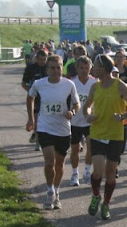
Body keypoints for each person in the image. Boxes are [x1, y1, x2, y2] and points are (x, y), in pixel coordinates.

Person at [83, 54, 127, 220]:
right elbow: (86, 107)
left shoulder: (121, 86)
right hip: (97, 133)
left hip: (115, 135)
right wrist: (88, 115)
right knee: (98, 171)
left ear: (103, 68)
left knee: (110, 172)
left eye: (95, 66)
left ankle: (106, 204)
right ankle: (96, 196)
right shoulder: (95, 87)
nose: (93, 69)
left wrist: (122, 117)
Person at [25, 55, 80, 210]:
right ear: (47, 69)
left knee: (59, 163)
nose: (56, 71)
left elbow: (77, 104)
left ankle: (56, 191)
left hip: (63, 129)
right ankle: (49, 192)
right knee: (50, 162)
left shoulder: (69, 84)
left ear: (62, 67)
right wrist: (31, 119)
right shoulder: (39, 84)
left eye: (58, 67)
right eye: (52, 68)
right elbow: (30, 98)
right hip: (45, 128)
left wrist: (72, 112)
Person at [69, 56, 95, 186]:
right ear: (77, 68)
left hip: (89, 121)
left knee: (91, 147)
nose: (84, 71)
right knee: (75, 149)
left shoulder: (95, 83)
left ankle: (87, 172)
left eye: (86, 68)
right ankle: (75, 174)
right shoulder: (71, 83)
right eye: (81, 68)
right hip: (74, 122)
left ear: (90, 68)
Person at [22, 49, 49, 149]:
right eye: (41, 59)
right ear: (37, 59)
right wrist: (31, 92)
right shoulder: (31, 68)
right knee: (37, 118)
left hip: (48, 97)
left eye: (44, 59)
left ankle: (39, 135)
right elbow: (23, 83)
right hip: (36, 98)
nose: (43, 62)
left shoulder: (49, 68)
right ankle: (38, 141)